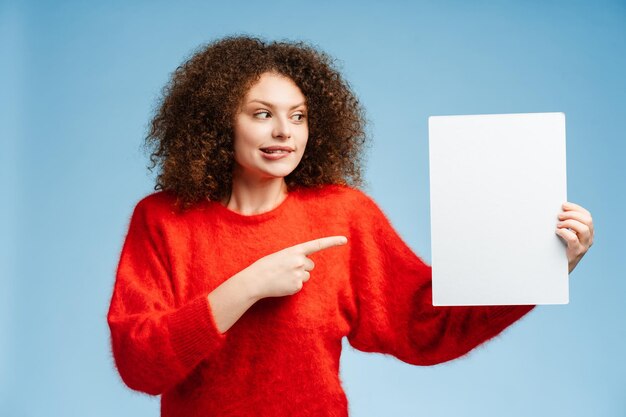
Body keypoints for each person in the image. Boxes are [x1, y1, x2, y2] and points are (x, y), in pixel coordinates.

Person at [107, 35, 594, 417]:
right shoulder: (163, 220)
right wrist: (248, 286)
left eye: (298, 116)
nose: (284, 132)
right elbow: (139, 362)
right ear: (217, 124)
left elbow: (425, 324)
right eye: (262, 114)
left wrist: (542, 267)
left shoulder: (343, 213)